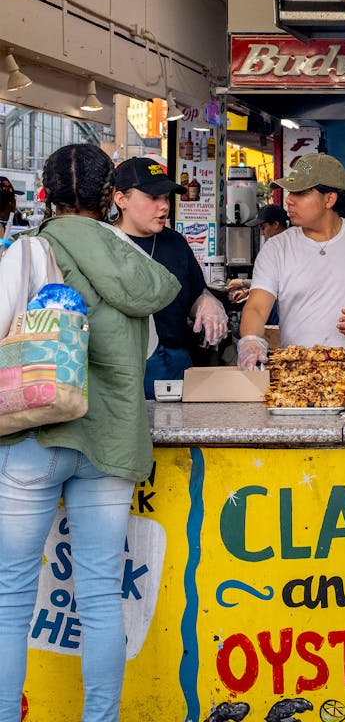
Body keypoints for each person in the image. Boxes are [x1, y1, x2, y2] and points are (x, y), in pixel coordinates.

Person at [0, 144, 180, 722]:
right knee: (102, 597)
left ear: (46, 194)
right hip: (110, 443)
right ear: (110, 198)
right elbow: (146, 348)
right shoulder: (134, 261)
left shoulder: (31, 250)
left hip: (38, 435)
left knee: (9, 601)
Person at [236, 153, 345, 379]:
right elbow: (257, 307)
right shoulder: (276, 248)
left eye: (301, 193)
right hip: (300, 367)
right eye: (290, 192)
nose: (289, 200)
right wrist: (251, 339)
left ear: (329, 199)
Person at [112, 157, 228, 398]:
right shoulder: (105, 243)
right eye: (153, 197)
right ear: (121, 199)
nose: (164, 206)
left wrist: (207, 303)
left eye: (165, 198)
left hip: (175, 365)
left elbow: (195, 295)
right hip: (122, 368)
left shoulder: (175, 243)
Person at [227, 204, 290, 315]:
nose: (262, 233)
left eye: (263, 227)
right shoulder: (275, 246)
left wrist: (243, 283)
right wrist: (249, 292)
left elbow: (280, 283)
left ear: (275, 224)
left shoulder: (289, 247)